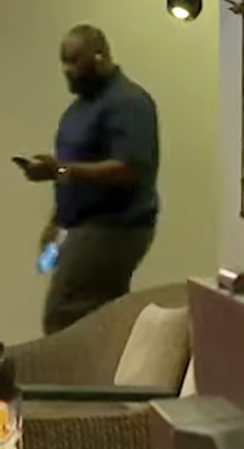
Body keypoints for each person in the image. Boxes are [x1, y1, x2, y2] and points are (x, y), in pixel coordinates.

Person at [18, 24, 159, 335]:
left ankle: (78, 381)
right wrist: (56, 224)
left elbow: (128, 170)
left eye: (74, 61)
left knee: (67, 316)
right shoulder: (80, 108)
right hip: (77, 226)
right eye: (63, 62)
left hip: (114, 227)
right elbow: (69, 167)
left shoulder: (128, 103)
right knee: (95, 316)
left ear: (99, 57)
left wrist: (60, 171)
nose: (67, 71)